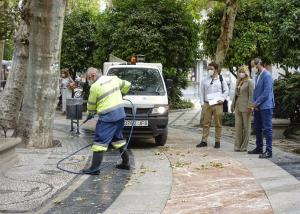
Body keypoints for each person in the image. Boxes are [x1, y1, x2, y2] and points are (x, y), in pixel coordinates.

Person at [81, 67, 131, 175]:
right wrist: (122, 94)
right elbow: (127, 84)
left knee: (99, 143)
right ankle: (126, 163)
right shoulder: (113, 79)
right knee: (118, 140)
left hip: (108, 118)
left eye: (89, 78)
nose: (89, 81)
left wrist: (90, 114)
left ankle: (94, 169)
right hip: (120, 115)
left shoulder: (95, 87)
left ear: (93, 76)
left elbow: (91, 105)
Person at [197, 62, 229, 148]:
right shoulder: (204, 80)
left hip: (218, 105)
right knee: (206, 123)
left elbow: (226, 90)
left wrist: (222, 99)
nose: (209, 71)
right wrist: (202, 103)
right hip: (207, 104)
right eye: (208, 69)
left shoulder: (221, 79)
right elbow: (201, 92)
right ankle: (204, 140)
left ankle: (217, 141)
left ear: (216, 69)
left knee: (218, 123)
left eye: (211, 69)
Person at [248, 58, 275, 158]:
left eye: (253, 66)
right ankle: (259, 148)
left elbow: (266, 92)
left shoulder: (267, 75)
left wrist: (256, 103)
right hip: (258, 107)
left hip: (266, 106)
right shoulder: (258, 76)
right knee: (257, 128)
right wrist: (255, 104)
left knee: (267, 129)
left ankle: (269, 151)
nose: (252, 68)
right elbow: (256, 92)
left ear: (258, 64)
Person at [231, 65, 253, 152]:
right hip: (237, 106)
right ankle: (237, 146)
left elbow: (251, 95)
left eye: (243, 72)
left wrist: (250, 106)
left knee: (246, 127)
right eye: (240, 72)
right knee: (238, 127)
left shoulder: (249, 82)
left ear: (246, 72)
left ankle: (244, 147)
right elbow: (235, 95)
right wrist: (232, 104)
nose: (241, 73)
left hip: (246, 107)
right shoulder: (238, 81)